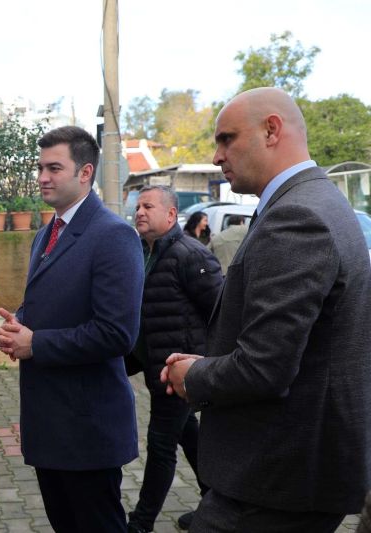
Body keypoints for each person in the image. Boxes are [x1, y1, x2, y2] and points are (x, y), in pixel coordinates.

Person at [161, 87, 371, 532]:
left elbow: (265, 367)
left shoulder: (298, 216)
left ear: (271, 130)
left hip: (274, 481)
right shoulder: (317, 202)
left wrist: (194, 377)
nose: (217, 155)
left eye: (226, 139)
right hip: (288, 474)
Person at [0, 126, 143, 532]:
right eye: (40, 167)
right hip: (50, 424)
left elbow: (117, 333)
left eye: (54, 167)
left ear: (85, 172)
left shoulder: (114, 236)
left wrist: (36, 343)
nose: (42, 176)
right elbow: (52, 299)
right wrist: (21, 323)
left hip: (87, 429)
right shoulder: (46, 233)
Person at [127, 185, 222, 533]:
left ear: (170, 215)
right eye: (137, 206)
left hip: (179, 372)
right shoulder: (143, 252)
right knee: (188, 436)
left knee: (161, 444)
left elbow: (220, 313)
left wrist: (202, 365)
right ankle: (215, 505)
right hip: (157, 369)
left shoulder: (190, 255)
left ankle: (140, 523)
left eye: (148, 206)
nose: (139, 212)